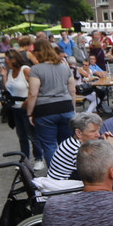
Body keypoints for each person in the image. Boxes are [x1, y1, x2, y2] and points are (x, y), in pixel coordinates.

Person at [25, 38, 77, 166]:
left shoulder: (36, 69)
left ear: (37, 52)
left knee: (49, 146)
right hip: (66, 107)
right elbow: (72, 90)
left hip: (45, 110)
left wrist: (30, 113)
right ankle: (69, 172)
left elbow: (33, 93)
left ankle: (55, 174)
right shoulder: (65, 67)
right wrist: (73, 109)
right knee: (67, 145)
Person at [46, 112, 108, 181]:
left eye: (98, 130)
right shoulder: (77, 149)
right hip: (62, 186)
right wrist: (109, 147)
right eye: (93, 131)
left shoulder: (71, 141)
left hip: (58, 182)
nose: (98, 135)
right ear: (78, 133)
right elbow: (98, 173)